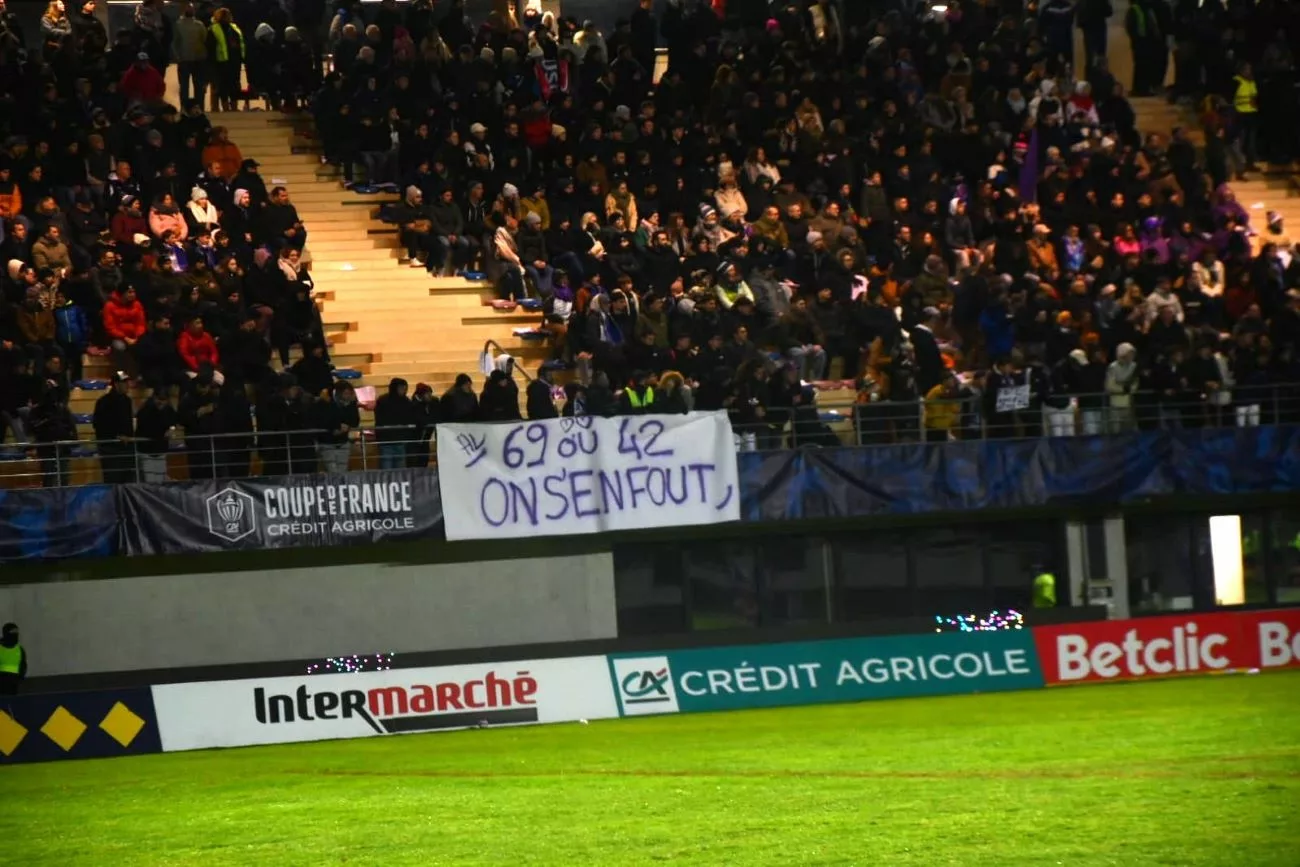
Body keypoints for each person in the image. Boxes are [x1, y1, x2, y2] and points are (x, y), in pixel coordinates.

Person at [93, 371, 136, 484]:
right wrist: (116, 436)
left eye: (128, 382)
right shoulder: (103, 402)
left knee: (128, 482)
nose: (127, 385)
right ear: (116, 384)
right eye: (124, 382)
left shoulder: (127, 401)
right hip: (111, 450)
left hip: (127, 449)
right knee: (113, 482)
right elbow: (99, 425)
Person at [374, 378, 415, 469]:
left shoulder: (406, 402)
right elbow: (380, 419)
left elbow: (410, 418)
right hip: (386, 441)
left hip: (400, 441)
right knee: (386, 469)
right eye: (401, 388)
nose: (404, 390)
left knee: (400, 470)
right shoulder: (383, 401)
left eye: (405, 388)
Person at [0, 622, 26, 696]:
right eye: (12, 632)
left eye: (16, 632)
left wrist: (19, 679)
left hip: (13, 684)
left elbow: (23, 666)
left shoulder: (19, 650)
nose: (15, 635)